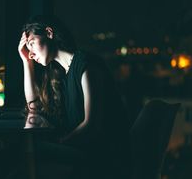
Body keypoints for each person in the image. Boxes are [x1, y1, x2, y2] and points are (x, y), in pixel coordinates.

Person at [18, 15, 131, 179]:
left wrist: (58, 143)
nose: (30, 54)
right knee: (19, 156)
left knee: (21, 154)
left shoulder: (87, 65)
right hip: (81, 152)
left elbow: (91, 127)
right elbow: (33, 108)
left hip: (101, 159)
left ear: (49, 33)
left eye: (31, 44)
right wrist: (25, 63)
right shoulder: (63, 75)